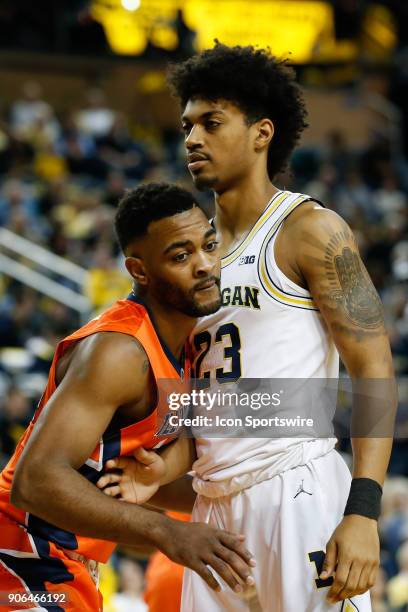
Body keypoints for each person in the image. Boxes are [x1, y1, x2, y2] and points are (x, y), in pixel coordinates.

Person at [100, 44, 397, 611]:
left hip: (296, 488)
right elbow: (209, 399)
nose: (192, 137)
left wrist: (362, 508)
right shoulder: (190, 256)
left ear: (262, 133)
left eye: (211, 123)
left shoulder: (308, 229)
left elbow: (373, 365)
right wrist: (166, 467)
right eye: (187, 125)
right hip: (212, 510)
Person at [0, 182, 256, 612]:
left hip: (68, 563)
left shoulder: (188, 349)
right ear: (139, 271)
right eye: (181, 255)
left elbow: (131, 482)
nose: (204, 264)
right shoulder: (119, 351)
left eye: (209, 245)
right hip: (20, 554)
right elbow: (34, 481)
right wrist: (166, 532)